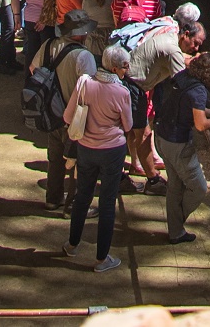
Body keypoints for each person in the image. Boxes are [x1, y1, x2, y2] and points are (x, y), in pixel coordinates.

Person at [63, 42, 135, 274]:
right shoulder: (122, 92)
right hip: (112, 151)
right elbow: (128, 125)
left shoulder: (84, 83)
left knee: (82, 196)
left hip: (85, 147)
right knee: (107, 203)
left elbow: (67, 116)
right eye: (125, 66)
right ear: (115, 68)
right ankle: (102, 258)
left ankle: (72, 244)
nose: (127, 70)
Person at [154, 47, 210, 244]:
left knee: (175, 185)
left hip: (161, 136)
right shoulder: (199, 90)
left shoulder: (183, 77)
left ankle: (175, 232)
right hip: (177, 143)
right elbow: (200, 124)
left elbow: (193, 107)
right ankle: (177, 223)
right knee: (198, 188)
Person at [123, 12, 199, 195]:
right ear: (185, 34)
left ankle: (133, 175)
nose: (196, 48)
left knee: (131, 132)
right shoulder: (172, 48)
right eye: (195, 43)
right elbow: (183, 82)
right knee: (141, 134)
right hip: (132, 86)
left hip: (133, 85)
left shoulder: (171, 34)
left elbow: (183, 62)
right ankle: (152, 180)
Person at [32, 19, 98, 209]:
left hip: (50, 112)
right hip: (76, 116)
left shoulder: (48, 45)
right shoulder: (84, 56)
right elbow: (90, 88)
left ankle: (53, 199)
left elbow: (33, 69)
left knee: (55, 158)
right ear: (81, 33)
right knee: (78, 161)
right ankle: (74, 204)